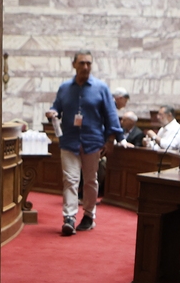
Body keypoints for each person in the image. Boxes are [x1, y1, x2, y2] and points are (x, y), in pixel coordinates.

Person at [47, 51, 124, 236]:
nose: (86, 67)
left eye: (89, 63)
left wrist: (112, 139)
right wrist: (52, 112)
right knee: (70, 180)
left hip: (93, 141)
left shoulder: (101, 88)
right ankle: (69, 218)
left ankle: (89, 215)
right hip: (69, 141)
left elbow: (111, 114)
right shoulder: (64, 88)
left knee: (90, 180)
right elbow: (56, 107)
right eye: (82, 63)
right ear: (74, 64)